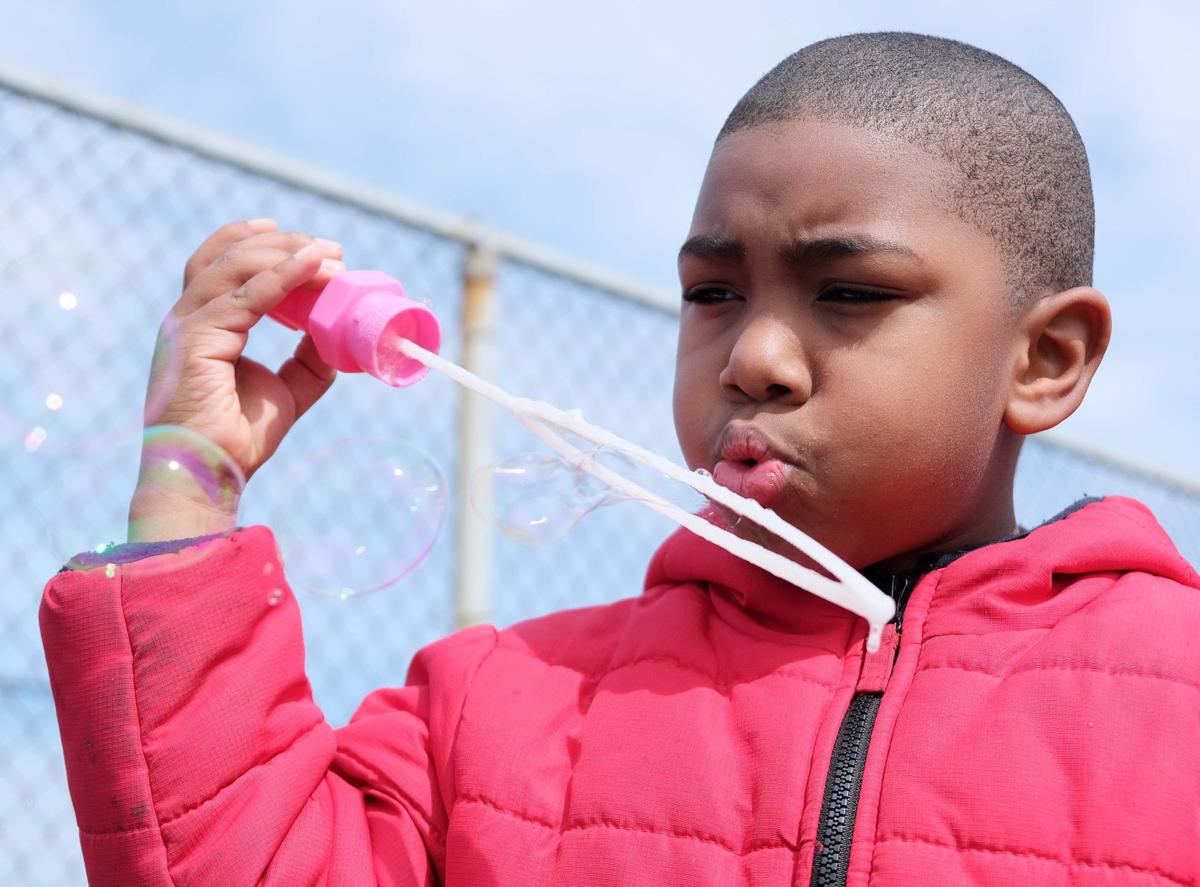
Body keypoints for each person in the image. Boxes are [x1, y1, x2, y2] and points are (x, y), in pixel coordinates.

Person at [40, 32, 1200, 887]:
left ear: (1045, 358)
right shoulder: (491, 708)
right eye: (712, 294)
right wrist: (187, 492)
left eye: (849, 292)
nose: (753, 356)